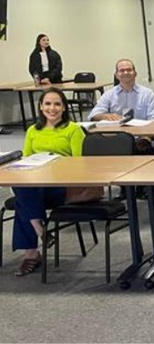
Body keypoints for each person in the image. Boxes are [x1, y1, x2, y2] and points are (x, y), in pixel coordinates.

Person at [12, 87, 85, 276]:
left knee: (24, 199)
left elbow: (81, 163)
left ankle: (31, 252)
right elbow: (26, 158)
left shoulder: (73, 130)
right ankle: (40, 229)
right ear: (40, 107)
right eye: (48, 104)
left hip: (62, 185)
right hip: (37, 182)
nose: (52, 108)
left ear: (63, 108)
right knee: (21, 184)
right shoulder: (32, 131)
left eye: (57, 104)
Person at [88, 58, 154, 154]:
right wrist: (105, 116)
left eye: (129, 70)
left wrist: (146, 137)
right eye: (121, 70)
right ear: (116, 75)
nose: (125, 72)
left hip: (141, 138)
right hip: (115, 138)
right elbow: (93, 114)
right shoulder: (109, 94)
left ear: (135, 73)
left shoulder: (148, 94)